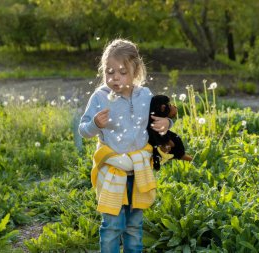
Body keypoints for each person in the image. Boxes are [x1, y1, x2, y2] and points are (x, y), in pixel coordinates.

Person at [78, 39, 171, 253]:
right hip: (112, 171)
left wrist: (167, 123)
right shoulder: (100, 97)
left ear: (136, 71)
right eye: (110, 72)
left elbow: (161, 121)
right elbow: (83, 130)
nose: (115, 78)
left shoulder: (145, 96)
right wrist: (94, 125)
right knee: (111, 226)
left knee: (134, 226)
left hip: (138, 171)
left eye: (122, 72)